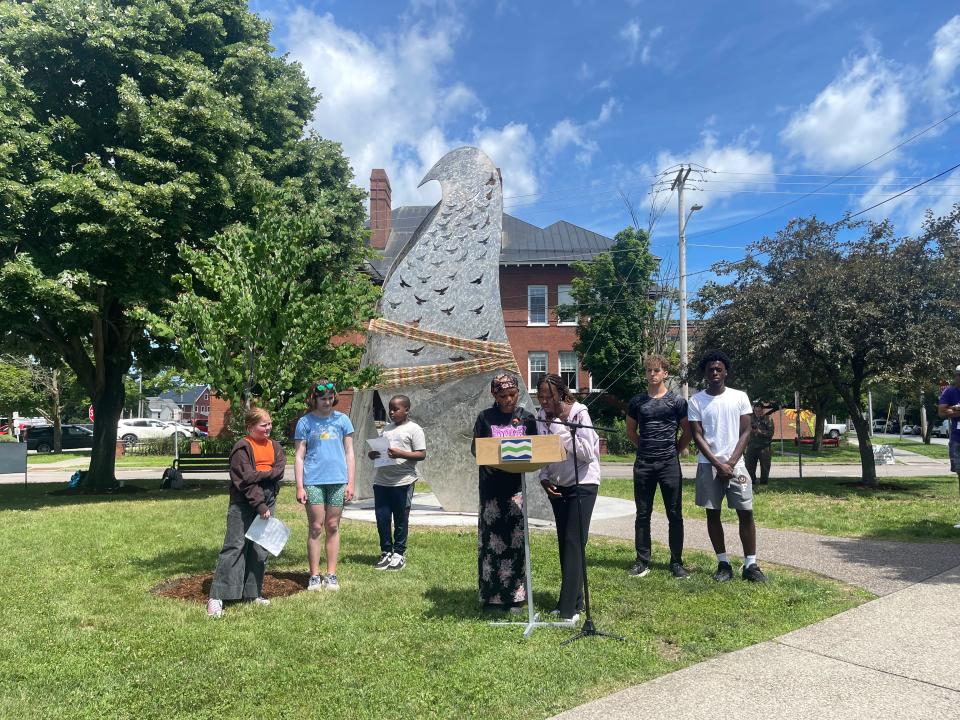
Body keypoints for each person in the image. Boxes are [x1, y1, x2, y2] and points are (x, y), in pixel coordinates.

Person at [688, 349, 767, 583]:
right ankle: (723, 563)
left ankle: (750, 565)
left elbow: (746, 431)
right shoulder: (696, 400)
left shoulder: (739, 397)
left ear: (726, 372)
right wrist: (717, 464)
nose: (714, 372)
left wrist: (731, 462)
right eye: (710, 369)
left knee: (746, 512)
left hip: (737, 466)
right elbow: (697, 435)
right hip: (708, 466)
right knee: (713, 514)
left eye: (718, 369)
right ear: (705, 373)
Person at [207, 407, 286, 617]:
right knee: (235, 546)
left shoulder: (275, 446)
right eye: (263, 424)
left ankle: (252, 592)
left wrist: (259, 474)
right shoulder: (242, 448)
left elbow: (279, 471)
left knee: (260, 548)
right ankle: (218, 596)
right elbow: (244, 480)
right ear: (250, 427)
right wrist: (260, 505)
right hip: (244, 502)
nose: (268, 428)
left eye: (269, 423)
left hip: (269, 500)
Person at [536, 374, 601, 622]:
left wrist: (560, 429)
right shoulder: (542, 416)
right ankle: (574, 600)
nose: (543, 401)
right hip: (557, 484)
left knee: (575, 541)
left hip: (583, 483)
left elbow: (587, 453)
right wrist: (544, 477)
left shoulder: (579, 413)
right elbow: (543, 450)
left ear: (561, 393)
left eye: (548, 396)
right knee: (565, 543)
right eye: (540, 396)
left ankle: (568, 609)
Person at [471, 372, 538, 612]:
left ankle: (515, 596)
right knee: (492, 543)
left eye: (512, 394)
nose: (509, 400)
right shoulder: (485, 418)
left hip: (514, 488)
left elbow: (536, 448)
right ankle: (491, 596)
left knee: (515, 542)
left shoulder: (526, 418)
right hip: (491, 487)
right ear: (494, 395)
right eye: (503, 396)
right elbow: (476, 450)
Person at [625, 355, 692, 579]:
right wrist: (645, 447)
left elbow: (687, 431)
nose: (652, 375)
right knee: (642, 514)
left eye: (657, 371)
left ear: (665, 373)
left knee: (675, 514)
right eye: (649, 371)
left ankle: (676, 562)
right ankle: (642, 560)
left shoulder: (677, 402)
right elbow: (631, 432)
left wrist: (673, 450)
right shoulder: (636, 402)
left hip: (668, 464)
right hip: (644, 464)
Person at [294, 380, 355, 591]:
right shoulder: (305, 422)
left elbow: (349, 452)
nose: (327, 402)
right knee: (316, 527)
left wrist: (350, 482)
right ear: (314, 399)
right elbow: (299, 456)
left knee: (332, 526)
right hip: (314, 481)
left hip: (338, 480)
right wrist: (300, 486)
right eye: (323, 398)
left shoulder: (343, 420)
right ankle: (314, 575)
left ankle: (331, 574)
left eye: (330, 398)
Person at [367, 395, 427, 571]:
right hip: (382, 481)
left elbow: (421, 454)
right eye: (390, 409)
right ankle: (386, 552)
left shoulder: (414, 429)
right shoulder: (386, 429)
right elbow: (382, 451)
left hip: (403, 481)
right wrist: (374, 454)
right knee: (382, 518)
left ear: (407, 410)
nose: (392, 412)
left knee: (401, 519)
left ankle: (399, 553)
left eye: (396, 409)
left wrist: (401, 454)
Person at [937, 365, 960, 529]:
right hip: (958, 439)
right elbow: (942, 412)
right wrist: (956, 410)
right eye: (958, 375)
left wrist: (954, 409)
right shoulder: (950, 392)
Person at [745, 402, 776, 486]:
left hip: (764, 447)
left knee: (765, 467)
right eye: (756, 411)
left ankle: (764, 483)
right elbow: (743, 431)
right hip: (751, 446)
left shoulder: (768, 419)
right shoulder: (749, 419)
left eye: (759, 411)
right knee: (749, 466)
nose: (757, 412)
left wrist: (759, 432)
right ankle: (751, 483)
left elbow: (770, 433)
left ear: (763, 410)